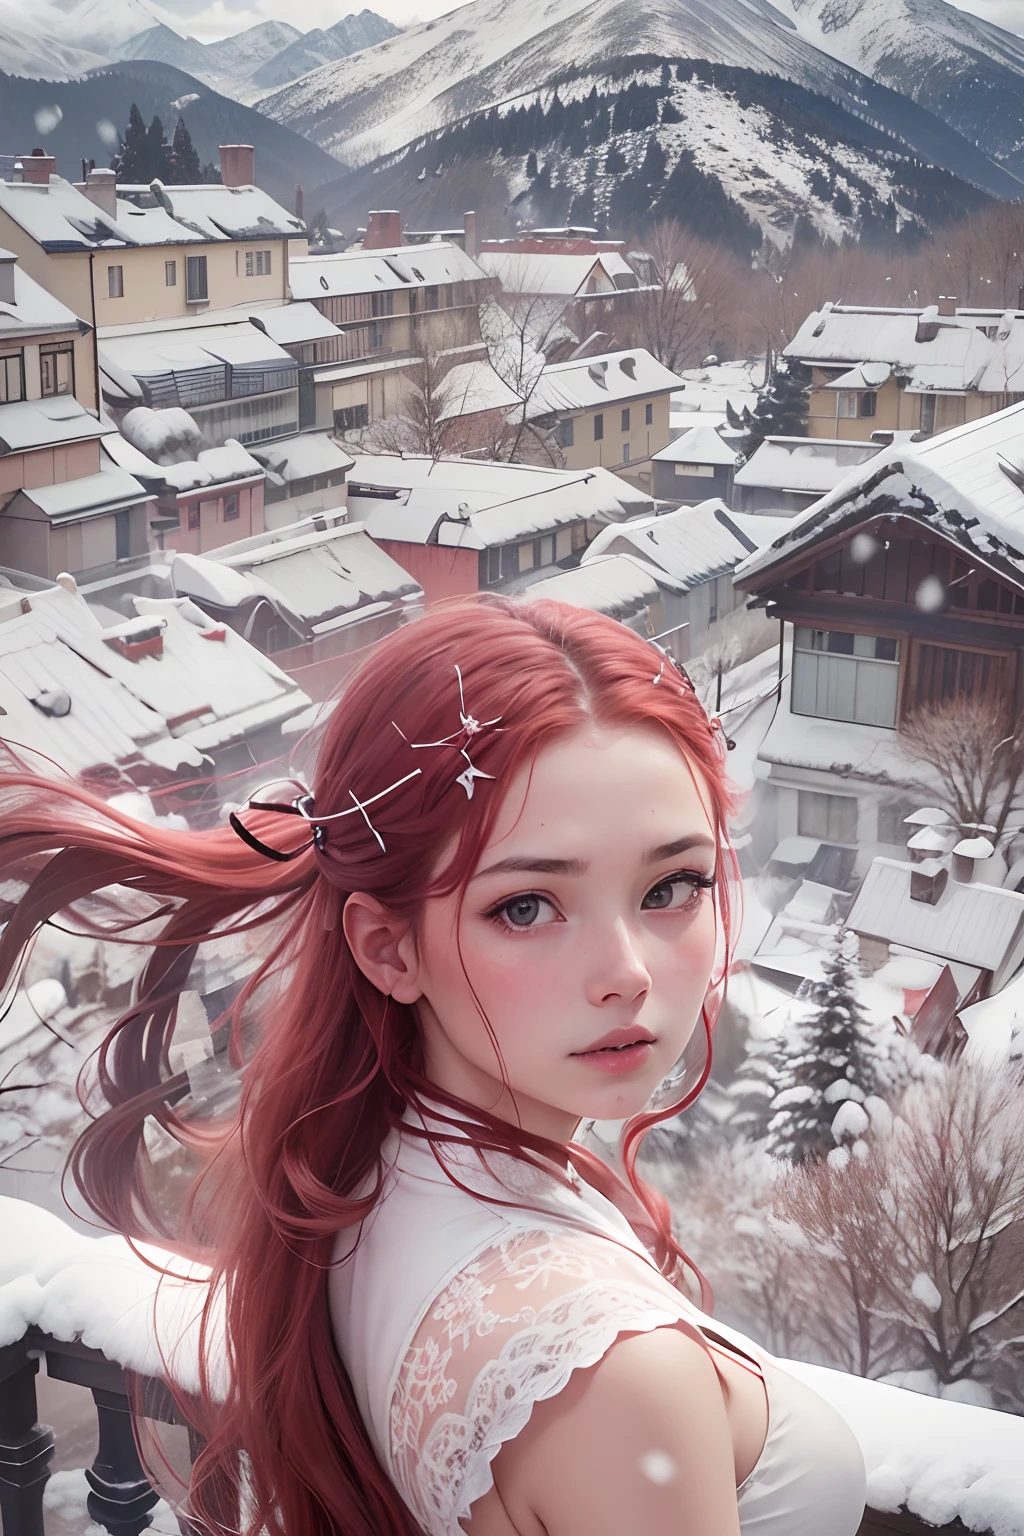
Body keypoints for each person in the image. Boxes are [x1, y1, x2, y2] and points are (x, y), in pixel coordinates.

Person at [0, 595, 866, 1536]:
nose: (627, 974)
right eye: (528, 906)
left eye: (672, 886)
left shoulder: (358, 1175)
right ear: (387, 948)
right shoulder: (616, 1386)